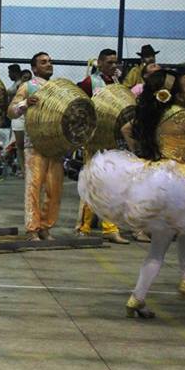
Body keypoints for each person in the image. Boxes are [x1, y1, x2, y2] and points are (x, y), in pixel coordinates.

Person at [78, 69, 185, 319]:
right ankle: (143, 295)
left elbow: (128, 129)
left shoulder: (161, 113)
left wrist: (141, 151)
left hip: (159, 177)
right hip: (177, 181)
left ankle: (180, 281)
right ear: (176, 94)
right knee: (166, 242)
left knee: (179, 231)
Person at [75, 49, 129, 244]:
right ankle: (85, 226)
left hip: (112, 140)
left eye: (115, 62)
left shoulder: (117, 83)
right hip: (94, 140)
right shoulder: (90, 82)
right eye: (109, 62)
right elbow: (78, 105)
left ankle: (106, 228)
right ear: (99, 63)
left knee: (109, 184)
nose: (113, 66)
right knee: (93, 182)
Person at [8, 52, 63, 241]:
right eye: (43, 62)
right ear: (34, 68)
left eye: (50, 62)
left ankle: (46, 227)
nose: (49, 64)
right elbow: (11, 112)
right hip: (35, 144)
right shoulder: (28, 86)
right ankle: (32, 229)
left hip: (55, 145)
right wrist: (25, 103)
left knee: (54, 189)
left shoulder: (58, 88)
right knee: (34, 188)